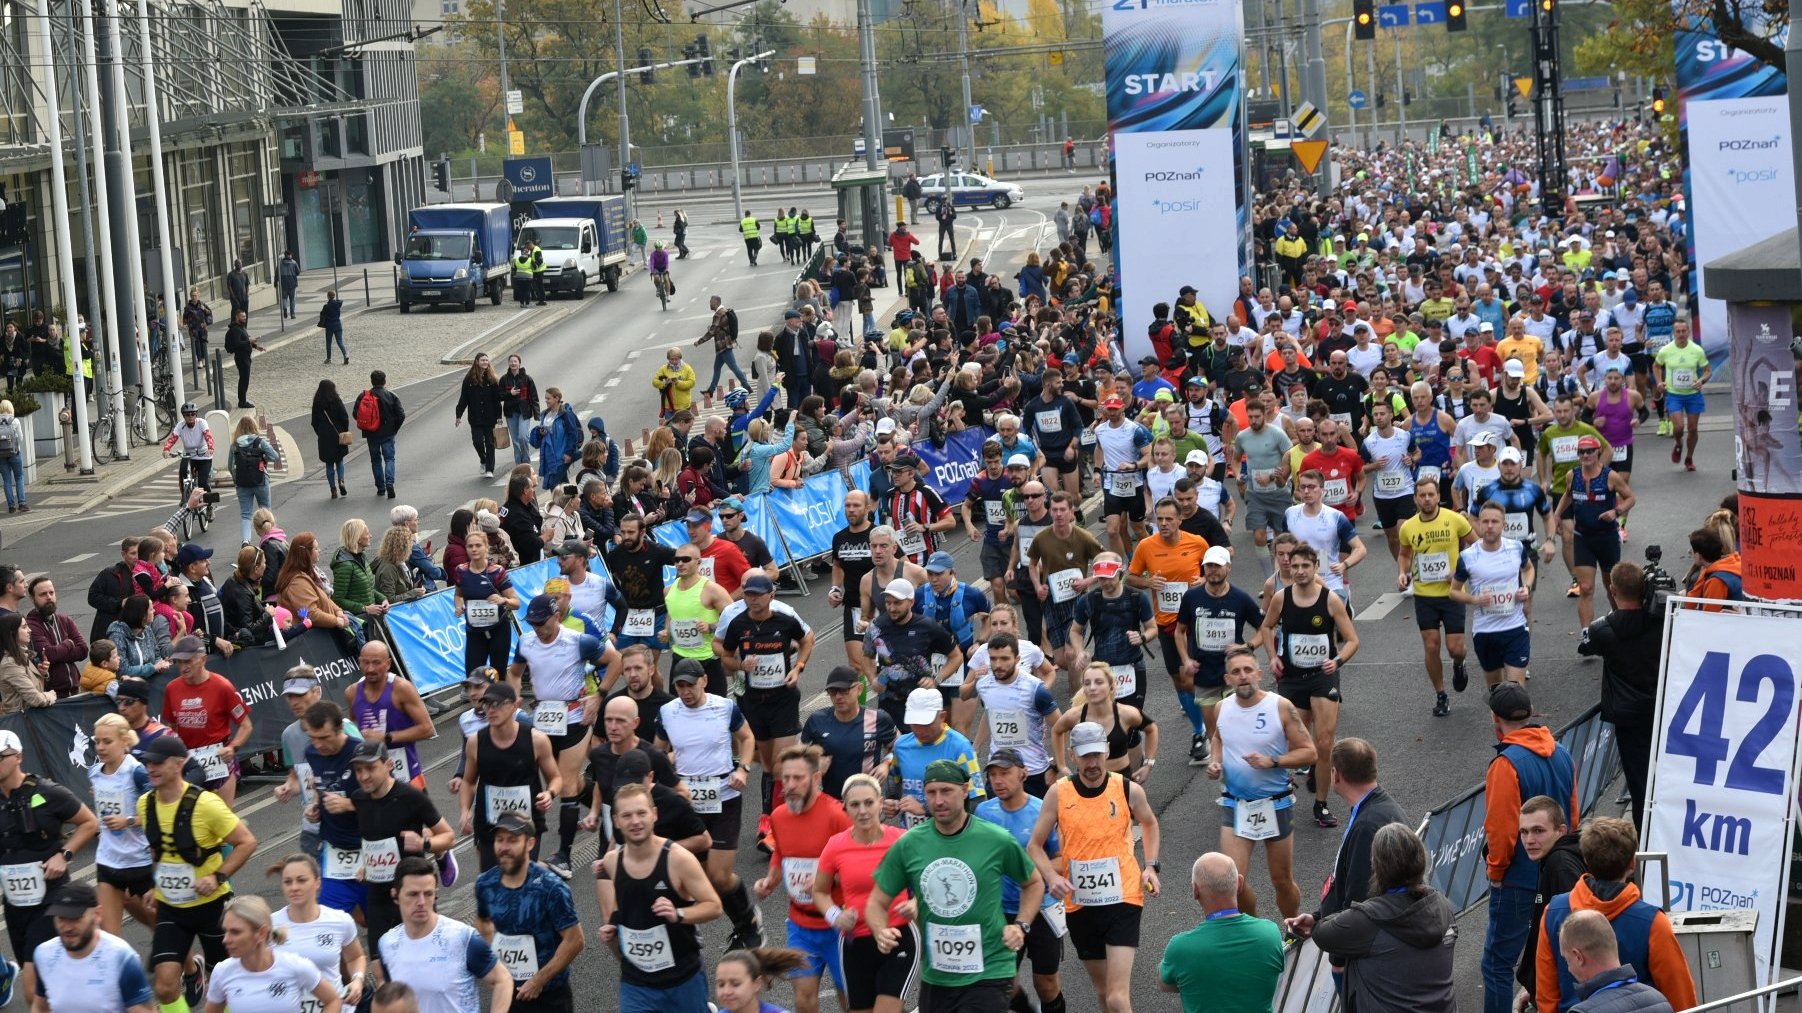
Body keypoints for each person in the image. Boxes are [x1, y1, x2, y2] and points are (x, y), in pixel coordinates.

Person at [866, 759, 1046, 1012]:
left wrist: (1021, 925)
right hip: (937, 974)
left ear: (964, 791)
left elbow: (1034, 882)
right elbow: (876, 901)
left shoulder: (995, 839)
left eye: (946, 791)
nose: (938, 800)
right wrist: (879, 930)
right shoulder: (910, 845)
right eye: (931, 793)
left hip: (990, 969)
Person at [1027, 723, 1160, 1013]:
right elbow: (1034, 846)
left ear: (1107, 751)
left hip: (1124, 897)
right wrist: (1051, 876)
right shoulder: (1058, 794)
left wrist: (1150, 866)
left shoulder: (1127, 789)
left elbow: (1149, 823)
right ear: (1072, 756)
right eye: (1085, 756)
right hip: (1081, 904)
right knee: (1103, 994)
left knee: (1116, 996)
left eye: (1097, 755)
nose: (1092, 763)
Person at [135, 733, 259, 1013]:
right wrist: (155, 886)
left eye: (157, 762)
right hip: (171, 908)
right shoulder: (145, 804)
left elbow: (247, 842)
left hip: (211, 907)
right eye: (147, 763)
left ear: (179, 764)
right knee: (165, 986)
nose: (150, 768)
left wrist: (217, 877)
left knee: (224, 984)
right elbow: (160, 852)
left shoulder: (205, 804)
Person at [1534, 818, 1697, 1013]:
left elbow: (1546, 994)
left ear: (1585, 859)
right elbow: (1680, 996)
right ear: (1632, 863)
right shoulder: (1653, 922)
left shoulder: (1553, 912)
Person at [1484, 681, 1580, 1013]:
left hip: (1517, 882)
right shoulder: (1562, 751)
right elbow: (1573, 812)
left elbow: (1501, 830)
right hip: (1560, 873)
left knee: (1497, 964)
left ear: (1496, 719)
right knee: (1553, 954)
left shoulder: (1505, 765)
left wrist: (1496, 872)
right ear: (1531, 713)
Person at [656, 659, 764, 950]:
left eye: (690, 684)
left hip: (724, 797)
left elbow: (747, 737)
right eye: (679, 685)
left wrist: (743, 769)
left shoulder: (724, 707)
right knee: (695, 875)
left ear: (704, 680)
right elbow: (657, 752)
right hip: (688, 802)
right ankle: (718, 927)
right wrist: (667, 764)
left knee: (718, 875)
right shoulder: (667, 712)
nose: (685, 691)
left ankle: (748, 921)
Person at [508, 593, 615, 878]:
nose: (537, 628)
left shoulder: (578, 641)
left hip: (575, 718)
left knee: (566, 784)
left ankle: (564, 856)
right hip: (544, 719)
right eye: (532, 623)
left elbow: (615, 661)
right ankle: (610, 802)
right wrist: (514, 695)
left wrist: (599, 696)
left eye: (541, 622)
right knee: (569, 781)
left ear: (556, 617)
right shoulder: (526, 642)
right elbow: (515, 672)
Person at [1206, 646, 1316, 919]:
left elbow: (1310, 752)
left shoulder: (1280, 706)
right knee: (1234, 881)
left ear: (1258, 673)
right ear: (1227, 679)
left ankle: (1292, 928)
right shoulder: (1222, 708)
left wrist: (1273, 761)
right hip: (1236, 804)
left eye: (1247, 670)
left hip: (1275, 803)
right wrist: (1215, 761)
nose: (1242, 676)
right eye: (1236, 672)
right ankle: (1256, 930)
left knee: (1281, 880)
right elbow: (1218, 738)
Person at [596, 783, 723, 1012]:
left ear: (654, 815)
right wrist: (614, 924)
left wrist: (679, 913)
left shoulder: (678, 859)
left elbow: (714, 906)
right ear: (615, 821)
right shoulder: (612, 861)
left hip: (682, 978)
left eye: (641, 813)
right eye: (627, 815)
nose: (635, 821)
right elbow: (626, 903)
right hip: (636, 982)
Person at [1254, 543, 1356, 826]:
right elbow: (1266, 626)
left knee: (1324, 743)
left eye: (1305, 566)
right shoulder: (1280, 598)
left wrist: (1337, 661)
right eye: (1294, 566)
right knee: (1295, 740)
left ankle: (1320, 805)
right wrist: (1272, 657)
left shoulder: (1330, 599)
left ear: (1315, 567)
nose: (1298, 571)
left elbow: (1352, 640)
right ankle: (1302, 772)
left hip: (1323, 677)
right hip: (1292, 677)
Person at [1310, 824, 1458, 1013]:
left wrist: (1316, 919)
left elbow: (1321, 933)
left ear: (1377, 867)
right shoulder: (1441, 904)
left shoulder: (1367, 921)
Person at [752, 745, 849, 1013]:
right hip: (800, 926)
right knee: (803, 1000)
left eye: (798, 778)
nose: (790, 785)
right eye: (786, 778)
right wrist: (770, 879)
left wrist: (825, 882)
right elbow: (782, 851)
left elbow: (858, 867)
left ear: (816, 778)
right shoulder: (780, 816)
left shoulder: (837, 816)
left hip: (838, 927)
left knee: (850, 1000)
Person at [349, 739, 455, 948]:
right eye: (359, 770)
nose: (363, 776)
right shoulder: (359, 798)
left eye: (370, 768)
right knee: (380, 960)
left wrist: (424, 843)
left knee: (424, 954)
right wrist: (367, 863)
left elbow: (449, 836)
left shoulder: (410, 797)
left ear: (388, 765)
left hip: (412, 892)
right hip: (378, 893)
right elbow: (374, 837)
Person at [473, 812, 584, 1013]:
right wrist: (495, 961)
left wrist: (538, 981)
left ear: (530, 843)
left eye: (513, 840)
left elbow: (575, 940)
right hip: (508, 993)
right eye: (500, 840)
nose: (504, 847)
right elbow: (482, 922)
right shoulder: (485, 884)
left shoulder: (551, 888)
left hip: (549, 997)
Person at [1577, 563, 1661, 826]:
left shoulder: (1603, 631)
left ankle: (1644, 842)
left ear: (1612, 590)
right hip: (1662, 709)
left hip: (1628, 717)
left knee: (1639, 785)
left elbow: (1585, 648)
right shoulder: (1661, 621)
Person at [377, 858, 514, 1013]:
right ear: (395, 895)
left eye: (428, 894)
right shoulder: (387, 944)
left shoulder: (462, 937)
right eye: (413, 894)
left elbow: (503, 979)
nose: (421, 902)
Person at [1158, 852, 1284, 1013]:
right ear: (1239, 883)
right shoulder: (1270, 933)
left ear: (1195, 890)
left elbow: (1166, 984)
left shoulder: (1180, 948)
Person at [457, 680, 559, 872]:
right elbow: (469, 782)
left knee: (521, 877)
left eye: (497, 704)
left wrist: (549, 793)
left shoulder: (536, 739)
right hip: (490, 825)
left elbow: (555, 777)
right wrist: (464, 811)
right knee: (493, 880)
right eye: (487, 704)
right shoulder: (475, 742)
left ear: (515, 705)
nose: (491, 710)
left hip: (526, 824)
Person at [1396, 476, 1476, 715]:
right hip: (1424, 595)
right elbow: (1404, 554)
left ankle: (1459, 664)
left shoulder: (1454, 520)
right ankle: (1441, 694)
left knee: (1455, 649)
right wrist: (1402, 572)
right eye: (1422, 496)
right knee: (1431, 646)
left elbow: (1476, 545)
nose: (1427, 499)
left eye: (1431, 494)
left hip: (1452, 594)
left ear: (1438, 496)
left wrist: (1460, 571)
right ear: (1415, 499)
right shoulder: (1408, 527)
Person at [30, 880, 156, 1013]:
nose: (67, 927)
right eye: (61, 918)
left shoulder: (121, 958)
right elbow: (41, 1007)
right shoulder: (44, 955)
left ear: (97, 915)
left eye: (75, 918)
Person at [199, 895, 340, 1013]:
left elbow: (333, 1000)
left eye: (235, 932)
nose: (225, 940)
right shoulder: (223, 972)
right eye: (226, 931)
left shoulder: (295, 965)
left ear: (261, 933)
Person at [1451, 500, 1537, 688]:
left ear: (1503, 525)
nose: (1489, 526)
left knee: (1516, 692)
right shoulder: (1468, 556)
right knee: (1497, 693)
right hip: (1485, 632)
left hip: (1515, 628)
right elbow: (1453, 592)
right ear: (1479, 524)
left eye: (1495, 522)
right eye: (1485, 521)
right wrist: (1475, 599)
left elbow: (1529, 569)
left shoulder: (1516, 548)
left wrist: (1527, 587)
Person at [1555, 435, 1635, 632]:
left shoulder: (1610, 476)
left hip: (1607, 538)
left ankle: (1620, 625)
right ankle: (1586, 634)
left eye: (1589, 451)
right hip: (1583, 537)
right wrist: (1556, 516)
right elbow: (1568, 495)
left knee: (1611, 588)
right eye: (1581, 452)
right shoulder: (1572, 475)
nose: (1585, 455)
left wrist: (1615, 511)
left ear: (1598, 451)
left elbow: (1630, 498)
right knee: (1586, 587)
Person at [161, 635, 252, 803]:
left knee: (222, 822)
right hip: (189, 762)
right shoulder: (172, 689)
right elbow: (170, 727)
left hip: (220, 760)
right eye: (179, 662)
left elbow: (246, 725)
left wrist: (232, 748)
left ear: (203, 659)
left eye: (188, 661)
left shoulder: (222, 686)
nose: (183, 667)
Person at [268, 855, 366, 1010]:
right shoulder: (269, 925)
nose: (294, 887)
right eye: (288, 882)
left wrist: (357, 980)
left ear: (317, 883)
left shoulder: (339, 920)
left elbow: (356, 957)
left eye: (301, 880)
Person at [1516, 795, 1588, 1007]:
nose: (1529, 840)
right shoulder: (1555, 857)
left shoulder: (1560, 865)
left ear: (1561, 831)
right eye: (1524, 832)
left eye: (1538, 830)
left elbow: (1574, 942)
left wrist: (1546, 992)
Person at [345, 642, 434, 791]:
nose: (370, 668)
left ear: (388, 664)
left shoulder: (402, 688)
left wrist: (386, 737)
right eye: (365, 662)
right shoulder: (352, 692)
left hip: (406, 774)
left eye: (376, 663)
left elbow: (427, 729)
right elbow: (354, 724)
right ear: (359, 662)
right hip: (370, 777)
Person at [1557, 910, 1677, 1013]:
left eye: (1567, 960)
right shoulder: (1659, 1000)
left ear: (1578, 957)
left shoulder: (1582, 1012)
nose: (1569, 969)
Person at [1651, 317, 1708, 471]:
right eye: (1678, 331)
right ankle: (1678, 443)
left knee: (1693, 428)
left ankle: (1689, 458)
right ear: (1673, 332)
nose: (1681, 334)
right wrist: (1659, 382)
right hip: (1674, 394)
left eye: (1684, 331)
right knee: (1678, 428)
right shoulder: (1666, 350)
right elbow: (1656, 366)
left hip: (1693, 395)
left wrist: (1701, 381)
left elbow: (1707, 371)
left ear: (1688, 332)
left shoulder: (1697, 350)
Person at [353, 371, 405, 499]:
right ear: (384, 381)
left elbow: (356, 414)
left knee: (375, 460)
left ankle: (380, 488)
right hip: (388, 433)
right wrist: (394, 428)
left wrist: (368, 425)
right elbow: (401, 415)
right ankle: (389, 483)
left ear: (371, 381)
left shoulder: (363, 396)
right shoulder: (391, 395)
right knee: (389, 458)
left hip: (371, 433)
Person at [456, 352, 505, 479]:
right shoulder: (469, 379)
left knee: (489, 443)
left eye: (486, 360)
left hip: (490, 417)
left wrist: (499, 417)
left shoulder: (492, 379)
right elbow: (464, 399)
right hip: (475, 417)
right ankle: (483, 459)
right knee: (477, 441)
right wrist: (458, 415)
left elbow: (497, 400)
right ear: (477, 362)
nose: (485, 362)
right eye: (482, 360)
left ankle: (490, 468)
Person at [310, 380, 351, 499]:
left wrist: (320, 432)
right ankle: (341, 481)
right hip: (337, 433)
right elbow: (345, 416)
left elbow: (314, 422)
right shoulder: (336, 400)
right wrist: (344, 430)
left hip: (324, 435)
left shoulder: (317, 403)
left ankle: (333, 488)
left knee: (328, 463)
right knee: (339, 460)